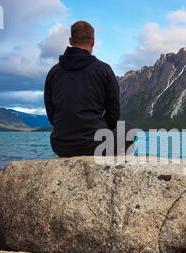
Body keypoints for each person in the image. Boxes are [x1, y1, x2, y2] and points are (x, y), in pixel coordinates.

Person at [44, 21, 135, 157]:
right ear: (93, 42)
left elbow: (51, 113)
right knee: (129, 129)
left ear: (70, 40)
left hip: (60, 146)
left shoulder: (53, 72)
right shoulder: (103, 70)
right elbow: (113, 112)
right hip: (96, 145)